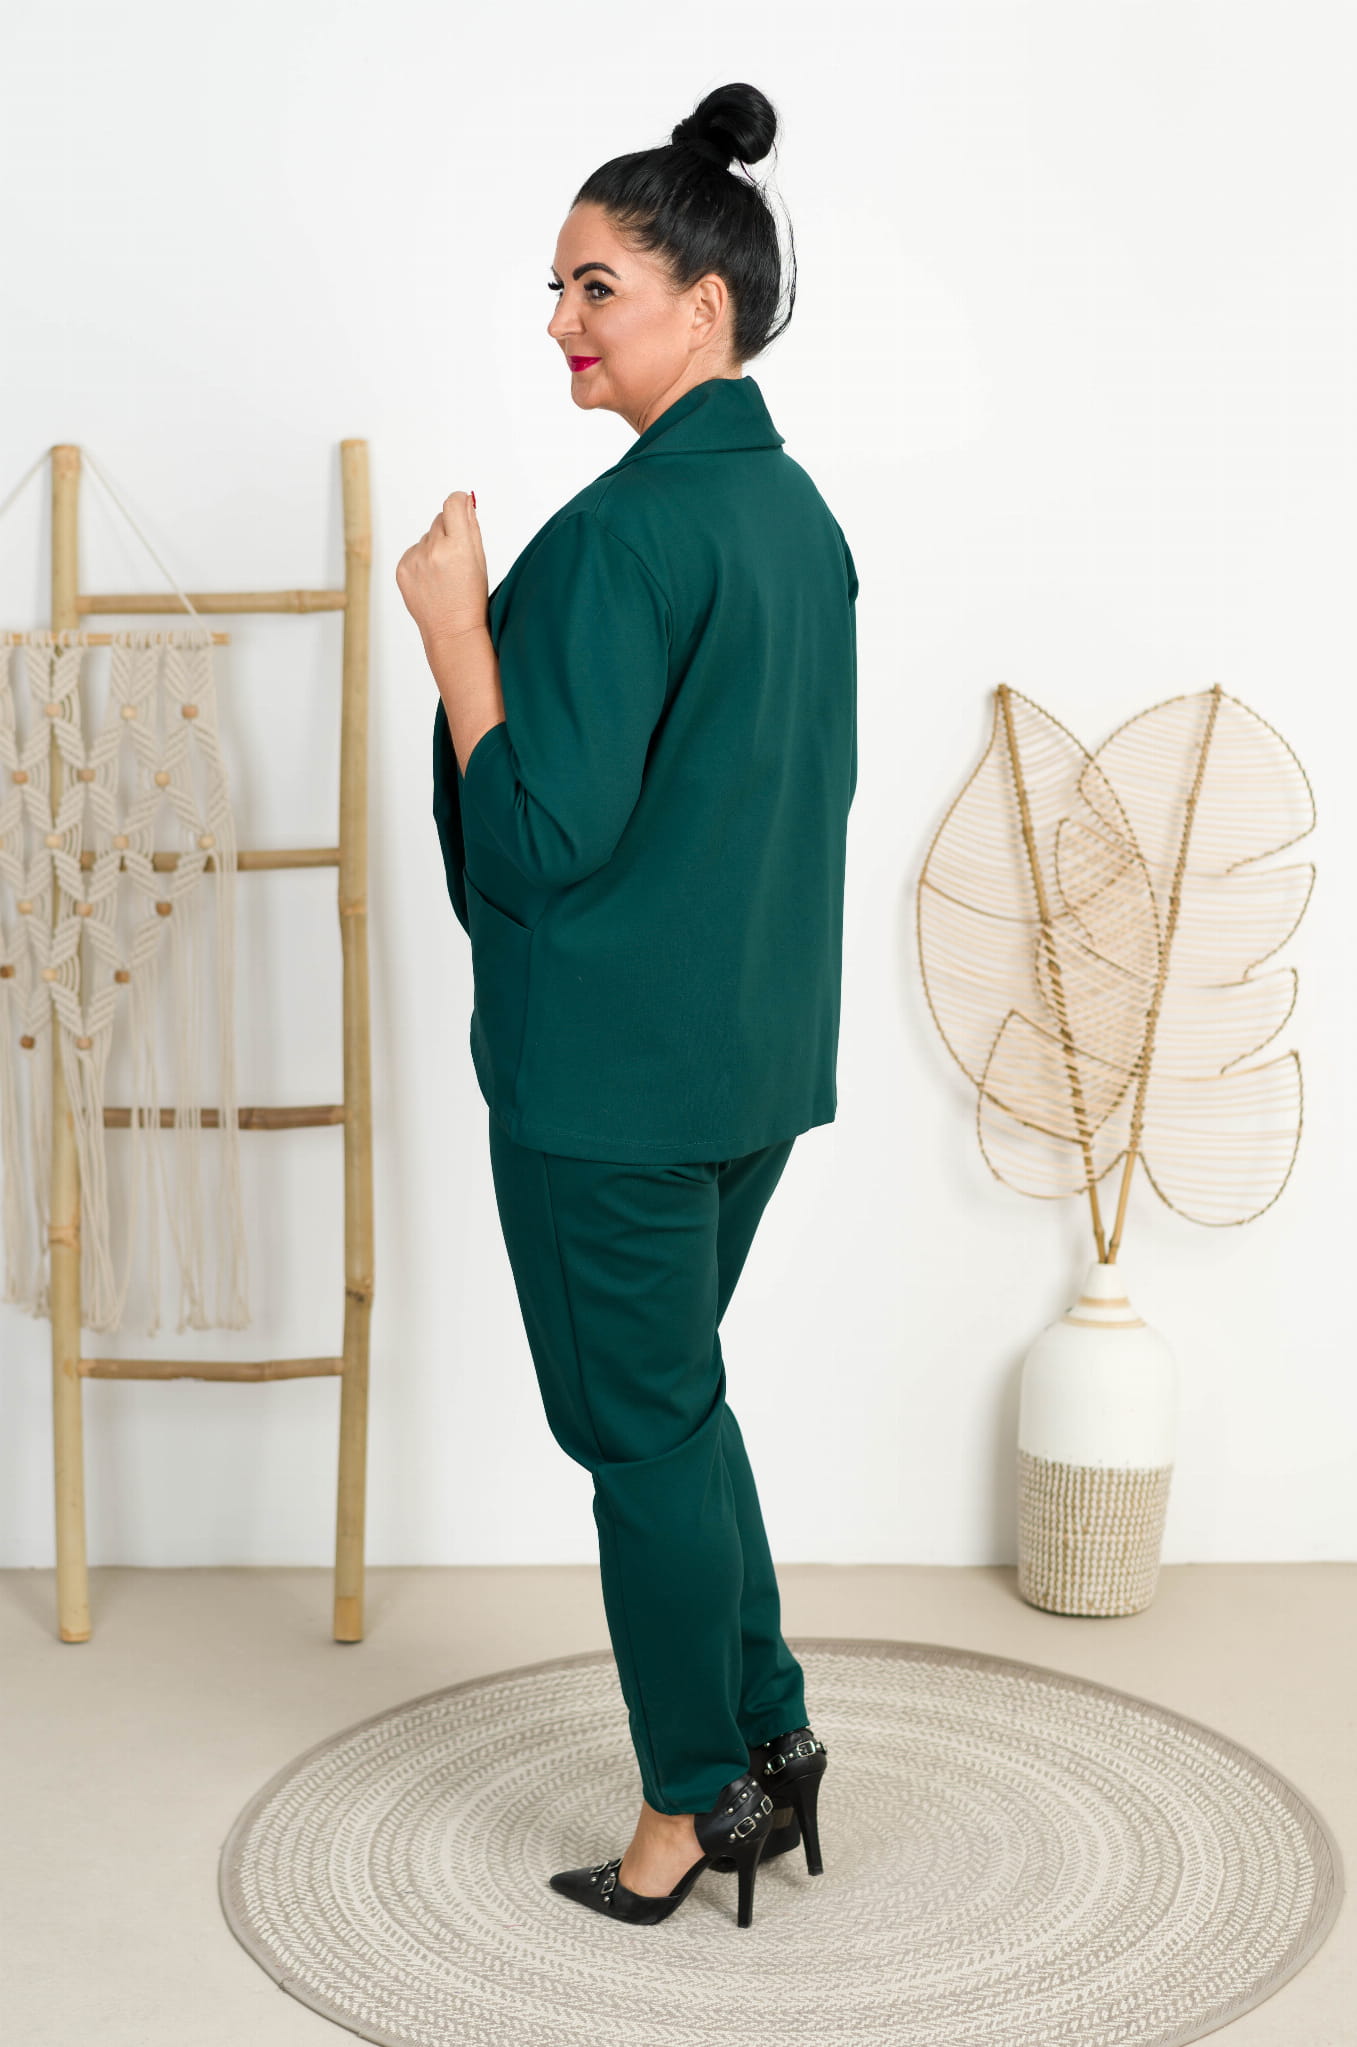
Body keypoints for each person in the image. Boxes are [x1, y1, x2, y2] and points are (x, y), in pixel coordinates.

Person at [398, 80, 857, 1930]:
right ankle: (768, 1734)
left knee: (637, 1434)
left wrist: (455, 633)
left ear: (703, 304)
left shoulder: (620, 537)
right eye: (557, 289)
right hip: (749, 1062)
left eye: (595, 287)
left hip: (610, 1088)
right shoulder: (795, 516)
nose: (561, 324)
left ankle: (689, 1801)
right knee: (678, 1410)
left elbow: (532, 837)